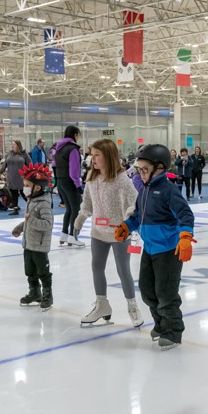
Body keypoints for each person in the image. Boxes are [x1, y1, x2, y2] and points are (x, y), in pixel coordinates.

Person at [115, 144, 196, 351]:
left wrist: (185, 236)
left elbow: (185, 215)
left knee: (166, 293)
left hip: (168, 251)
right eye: (139, 169)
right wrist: (127, 226)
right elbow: (138, 217)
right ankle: (161, 324)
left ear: (159, 168)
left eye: (144, 169)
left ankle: (173, 331)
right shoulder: (144, 190)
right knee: (148, 291)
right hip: (149, 249)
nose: (141, 173)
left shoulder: (169, 190)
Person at [74, 139, 142, 328]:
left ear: (108, 157)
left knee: (123, 270)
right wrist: (81, 217)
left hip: (119, 233)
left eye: (97, 155)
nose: (92, 159)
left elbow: (134, 202)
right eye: (91, 154)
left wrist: (128, 220)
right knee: (97, 267)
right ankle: (102, 304)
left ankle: (133, 306)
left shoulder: (121, 180)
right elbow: (87, 203)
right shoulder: (91, 178)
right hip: (98, 231)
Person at [13, 163, 55, 310]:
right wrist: (19, 228)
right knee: (30, 270)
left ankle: (47, 294)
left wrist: (31, 220)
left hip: (40, 245)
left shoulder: (43, 203)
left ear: (37, 187)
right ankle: (34, 292)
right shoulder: (31, 200)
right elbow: (27, 220)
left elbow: (48, 224)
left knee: (42, 271)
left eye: (27, 185)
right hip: (29, 243)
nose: (24, 188)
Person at [50, 126, 84, 246]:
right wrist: (78, 185)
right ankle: (72, 236)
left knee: (69, 209)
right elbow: (74, 170)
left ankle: (64, 235)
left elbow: (54, 165)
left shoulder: (59, 148)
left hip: (60, 181)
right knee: (76, 209)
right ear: (75, 134)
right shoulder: (72, 149)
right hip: (70, 182)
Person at [3, 139, 30, 216]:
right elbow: (5, 164)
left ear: (18, 145)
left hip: (21, 177)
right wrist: (0, 171)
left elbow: (30, 164)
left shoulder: (24, 154)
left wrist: (29, 174)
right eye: (12, 144)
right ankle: (15, 208)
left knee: (24, 193)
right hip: (11, 177)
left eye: (14, 144)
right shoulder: (9, 154)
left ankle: (32, 206)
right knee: (13, 193)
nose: (12, 146)